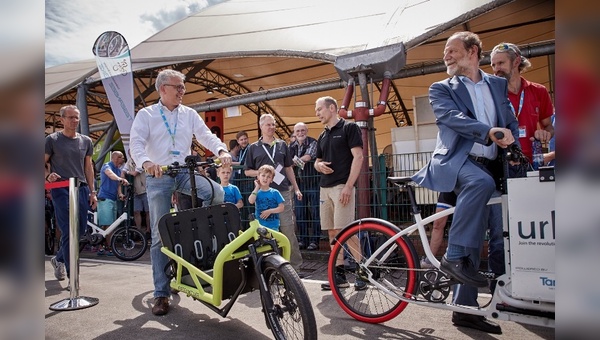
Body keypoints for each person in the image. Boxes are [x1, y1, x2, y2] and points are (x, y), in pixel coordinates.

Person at [412, 31, 520, 334]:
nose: (446, 55)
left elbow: (510, 121)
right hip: (458, 161)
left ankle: (464, 310)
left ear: (473, 52)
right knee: (480, 186)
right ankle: (453, 255)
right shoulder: (441, 88)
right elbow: (451, 118)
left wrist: (513, 148)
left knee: (479, 232)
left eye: (452, 50)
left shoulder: (497, 85)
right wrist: (488, 132)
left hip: (491, 166)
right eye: (446, 51)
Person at [129, 68, 232, 316]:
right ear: (163, 88)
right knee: (158, 234)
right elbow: (136, 143)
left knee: (216, 193)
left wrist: (221, 151)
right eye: (178, 87)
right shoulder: (146, 114)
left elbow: (206, 135)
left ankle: (201, 237)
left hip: (185, 171)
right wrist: (146, 163)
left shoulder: (189, 114)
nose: (182, 91)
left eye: (183, 87)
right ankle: (161, 294)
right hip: (159, 175)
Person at [313, 96, 366, 291]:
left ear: (332, 108)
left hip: (342, 187)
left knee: (346, 231)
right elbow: (317, 161)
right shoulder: (322, 135)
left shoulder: (349, 128)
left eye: (319, 109)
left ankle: (364, 272)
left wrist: (348, 186)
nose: (317, 113)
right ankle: (340, 275)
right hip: (324, 189)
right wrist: (318, 166)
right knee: (333, 233)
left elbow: (358, 157)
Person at [45, 105, 98, 287]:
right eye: (70, 118)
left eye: (77, 118)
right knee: (69, 230)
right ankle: (72, 277)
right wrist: (47, 176)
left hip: (81, 189)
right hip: (61, 189)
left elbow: (88, 168)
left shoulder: (86, 141)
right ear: (62, 119)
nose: (74, 121)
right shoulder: (52, 140)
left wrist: (93, 191)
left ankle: (58, 258)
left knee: (80, 230)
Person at [244, 114, 303, 272]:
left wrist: (296, 187)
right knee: (265, 232)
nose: (272, 127)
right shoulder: (253, 148)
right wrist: (264, 173)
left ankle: (295, 268)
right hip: (263, 194)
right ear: (261, 126)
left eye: (273, 124)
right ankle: (268, 267)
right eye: (268, 125)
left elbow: (289, 167)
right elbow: (247, 171)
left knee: (287, 229)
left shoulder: (282, 145)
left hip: (282, 191)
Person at [490, 42, 554, 164]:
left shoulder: (538, 91)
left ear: (516, 61)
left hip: (532, 161)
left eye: (501, 63)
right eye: (493, 65)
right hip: (503, 163)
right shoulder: (490, 94)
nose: (496, 69)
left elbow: (549, 126)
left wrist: (544, 134)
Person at [289, 122, 320, 251]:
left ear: (306, 131)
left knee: (315, 212)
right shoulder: (291, 146)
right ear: (294, 133)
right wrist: (295, 162)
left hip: (313, 183)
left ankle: (315, 240)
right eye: (298, 131)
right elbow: (287, 161)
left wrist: (294, 162)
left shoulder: (313, 142)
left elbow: (309, 156)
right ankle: (302, 239)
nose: (300, 133)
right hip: (299, 184)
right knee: (300, 212)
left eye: (303, 130)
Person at [96, 150, 129, 255]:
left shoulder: (118, 170)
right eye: (121, 157)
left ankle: (106, 246)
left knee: (111, 225)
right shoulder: (107, 166)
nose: (123, 159)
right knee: (107, 224)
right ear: (115, 158)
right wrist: (120, 179)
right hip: (105, 198)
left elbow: (118, 186)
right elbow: (110, 175)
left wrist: (120, 194)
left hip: (113, 199)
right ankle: (104, 247)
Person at [420, 192, 455, 269]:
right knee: (437, 224)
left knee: (461, 225)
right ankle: (429, 261)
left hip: (467, 187)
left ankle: (456, 261)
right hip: (450, 188)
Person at [247, 164, 285, 231]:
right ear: (258, 177)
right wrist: (257, 187)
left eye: (268, 177)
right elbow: (251, 201)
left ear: (272, 179)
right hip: (260, 226)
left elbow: (281, 208)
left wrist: (270, 211)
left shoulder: (275, 192)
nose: (265, 178)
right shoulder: (257, 192)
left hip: (273, 226)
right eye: (263, 175)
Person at [125, 152, 150, 240]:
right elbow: (123, 171)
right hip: (135, 191)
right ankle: (138, 231)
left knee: (148, 211)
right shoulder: (129, 162)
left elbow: (135, 173)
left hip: (145, 189)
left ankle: (148, 231)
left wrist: (127, 172)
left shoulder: (142, 160)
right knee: (136, 211)